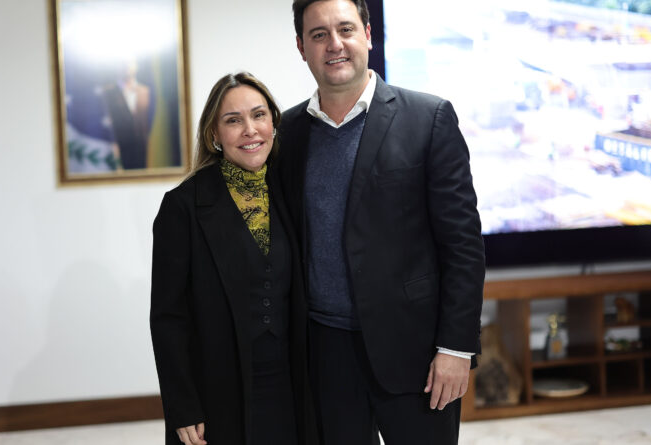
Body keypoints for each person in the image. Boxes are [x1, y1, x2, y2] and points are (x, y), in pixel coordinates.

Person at [276, 1, 486, 444]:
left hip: (417, 352)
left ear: (368, 35)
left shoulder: (428, 118)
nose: (335, 44)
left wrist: (456, 348)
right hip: (325, 355)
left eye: (345, 29)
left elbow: (463, 245)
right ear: (301, 47)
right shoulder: (287, 133)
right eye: (318, 35)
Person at [150, 72, 317, 445]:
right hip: (218, 391)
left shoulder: (291, 192)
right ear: (214, 134)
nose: (250, 130)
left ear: (273, 123)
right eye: (233, 120)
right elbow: (168, 318)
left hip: (291, 385)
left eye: (259, 115)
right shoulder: (182, 207)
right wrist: (182, 406)